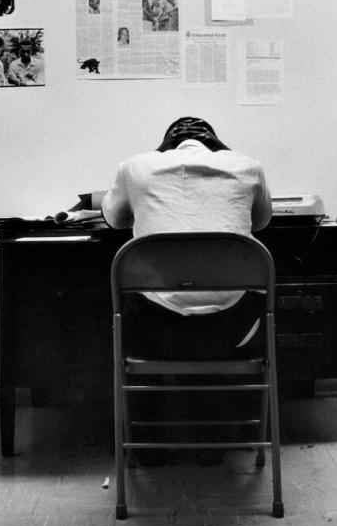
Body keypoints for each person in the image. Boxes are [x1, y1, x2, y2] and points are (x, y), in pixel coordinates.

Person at [103, 117, 272, 464]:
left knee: (123, 299)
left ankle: (144, 438)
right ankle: (234, 431)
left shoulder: (135, 167)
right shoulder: (249, 166)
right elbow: (262, 222)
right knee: (258, 296)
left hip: (158, 326)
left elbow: (114, 219)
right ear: (216, 145)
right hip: (231, 328)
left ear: (164, 146)